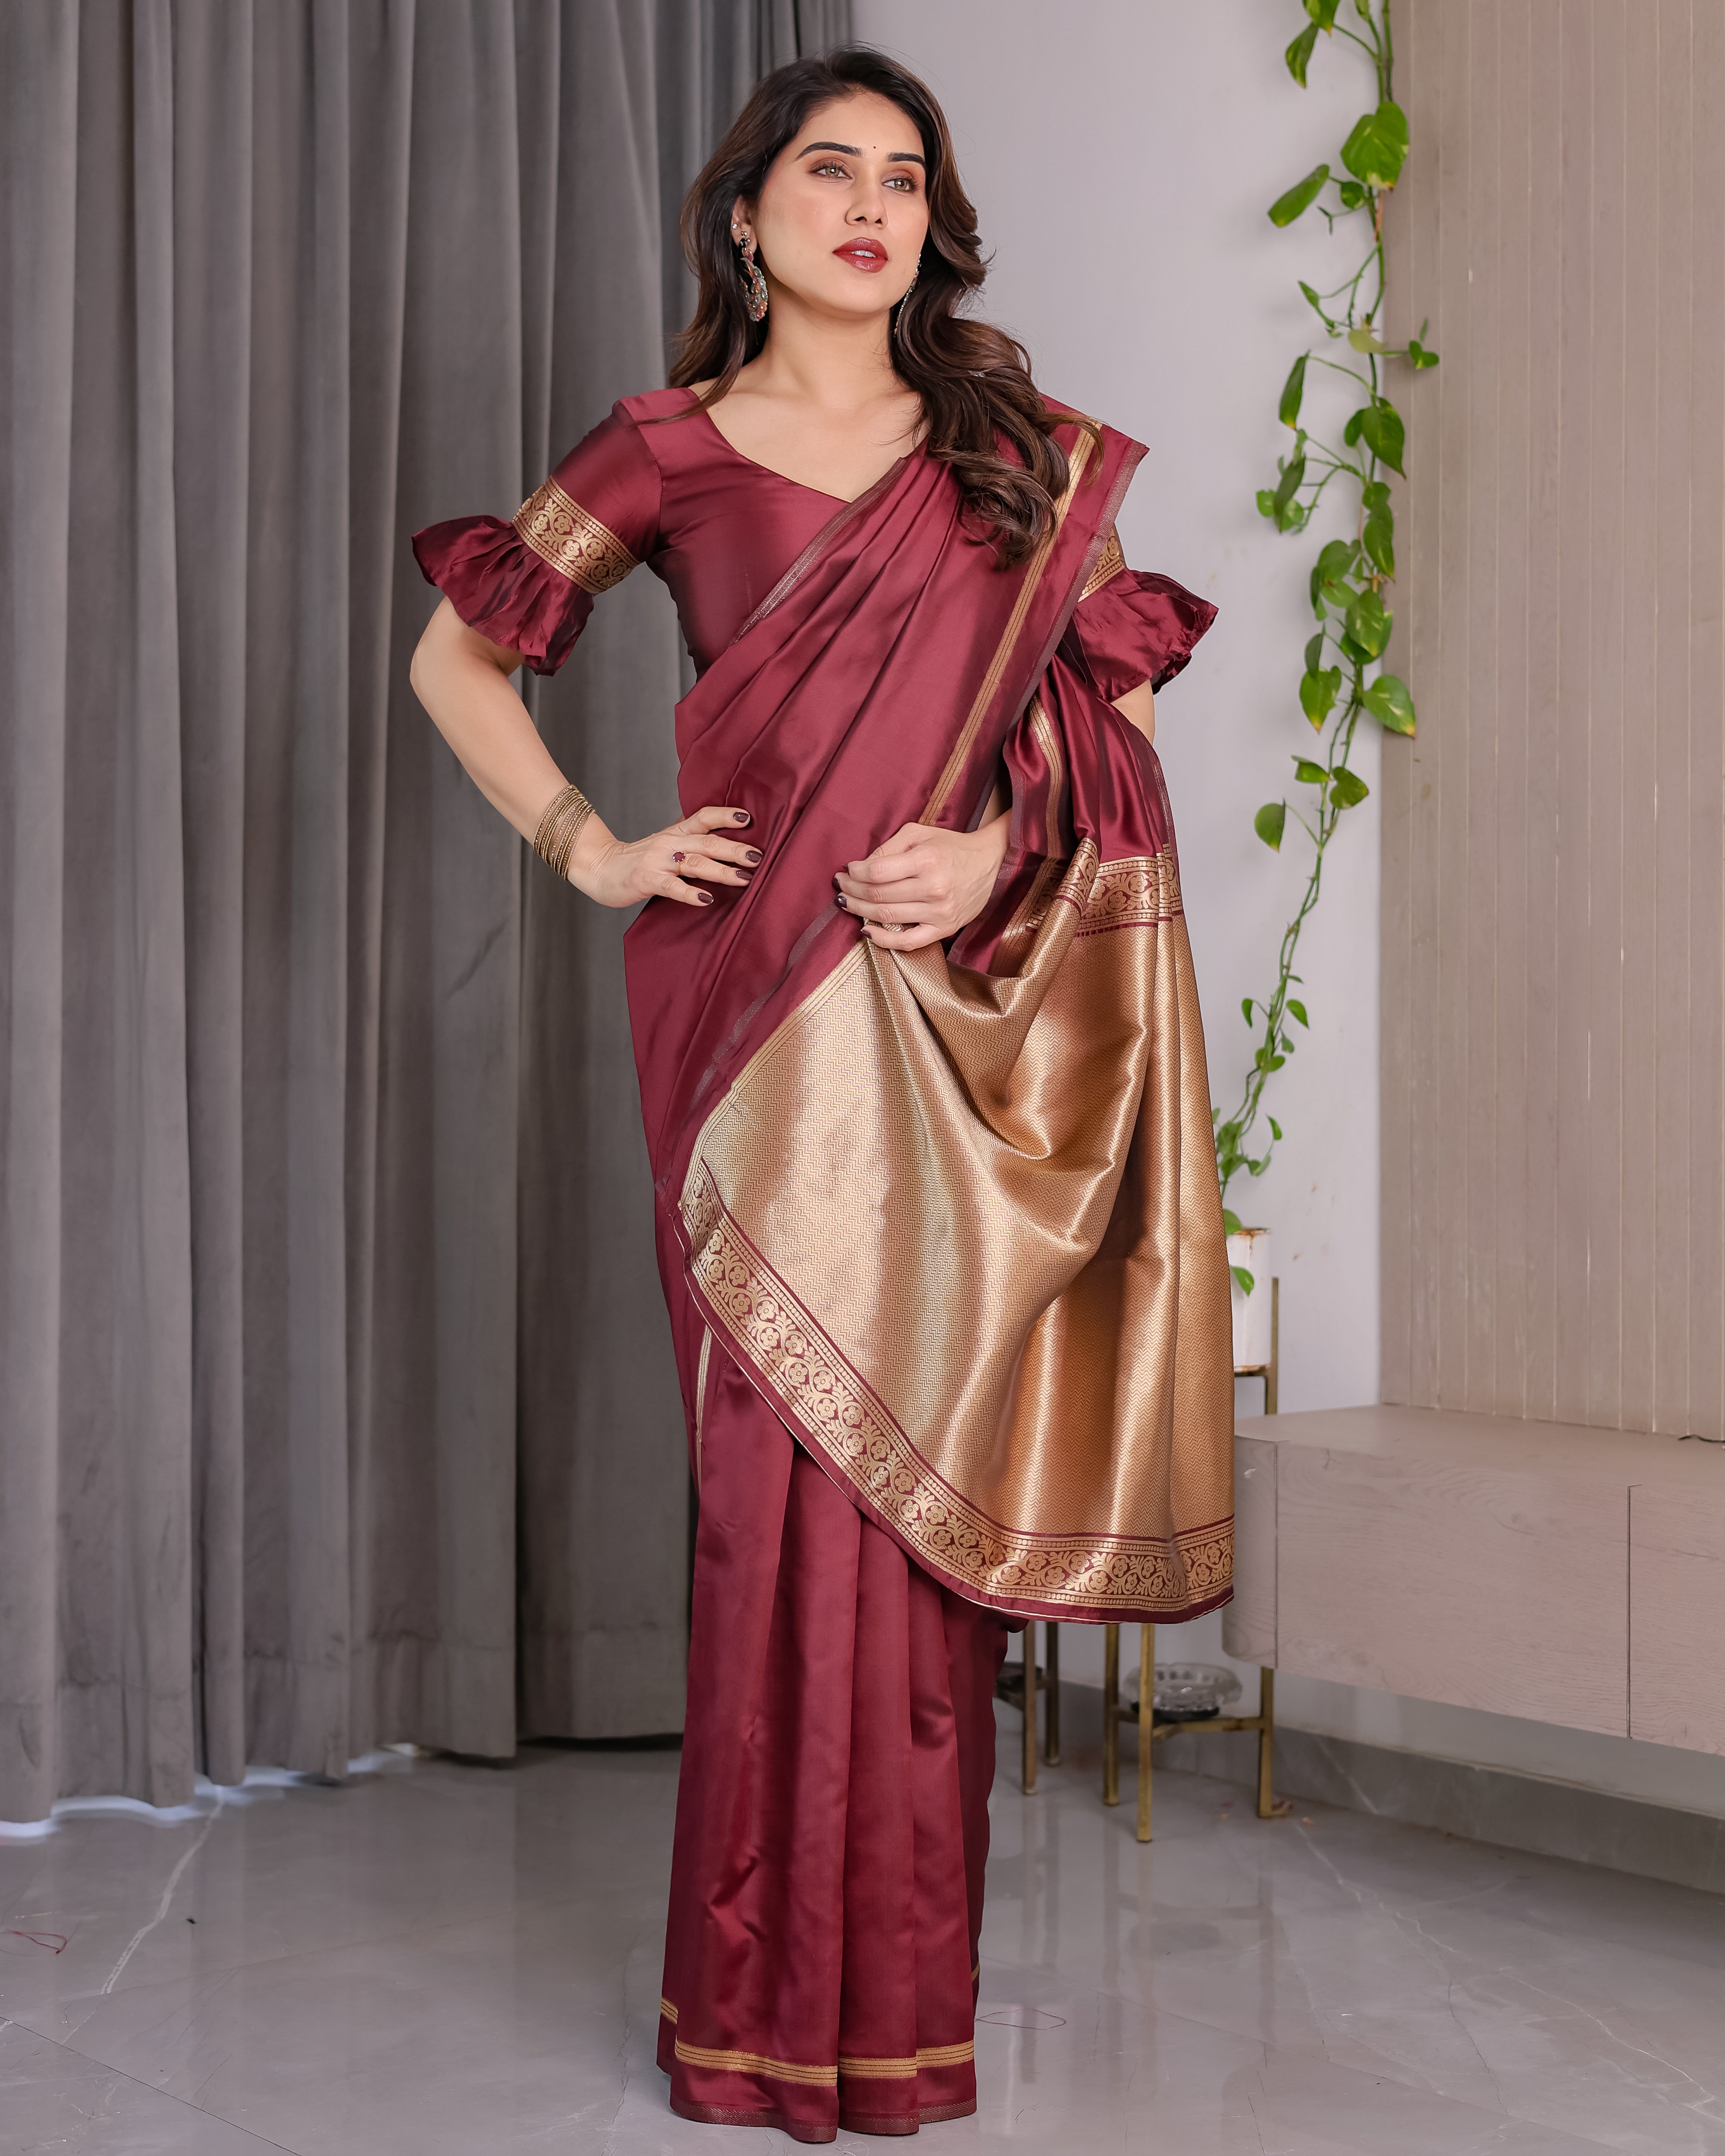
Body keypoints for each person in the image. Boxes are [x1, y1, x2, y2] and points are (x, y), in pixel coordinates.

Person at [409, 45, 1233, 2144]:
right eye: (829, 171)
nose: (871, 206)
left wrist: (992, 848)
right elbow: (454, 657)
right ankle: (753, 2014)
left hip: (945, 1022)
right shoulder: (669, 449)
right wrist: (596, 847)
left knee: (914, 1515)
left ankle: (895, 2020)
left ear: (931, 223)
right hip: (746, 1028)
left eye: (905, 177)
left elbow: (1105, 731)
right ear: (748, 215)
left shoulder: (1015, 456)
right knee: (766, 1507)